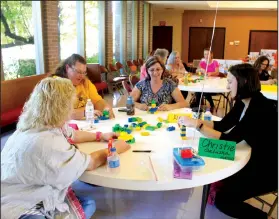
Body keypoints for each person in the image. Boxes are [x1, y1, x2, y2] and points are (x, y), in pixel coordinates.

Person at [1, 77, 131, 219]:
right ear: (61, 107)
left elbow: (73, 134)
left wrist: (100, 135)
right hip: (19, 204)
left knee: (87, 203)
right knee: (88, 205)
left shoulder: (37, 123)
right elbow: (90, 163)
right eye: (70, 104)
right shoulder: (47, 142)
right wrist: (115, 148)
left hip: (16, 188)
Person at [178, 63, 277, 219]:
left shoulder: (260, 107)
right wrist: (195, 121)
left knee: (223, 201)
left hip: (269, 168)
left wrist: (198, 125)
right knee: (215, 172)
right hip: (254, 155)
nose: (227, 85)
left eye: (231, 81)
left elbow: (230, 140)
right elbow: (223, 125)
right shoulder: (243, 101)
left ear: (243, 82)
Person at [52, 54, 115, 120]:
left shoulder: (85, 82)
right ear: (67, 68)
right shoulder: (56, 84)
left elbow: (97, 101)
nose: (82, 76)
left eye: (84, 73)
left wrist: (105, 107)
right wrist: (86, 112)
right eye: (78, 72)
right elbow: (61, 114)